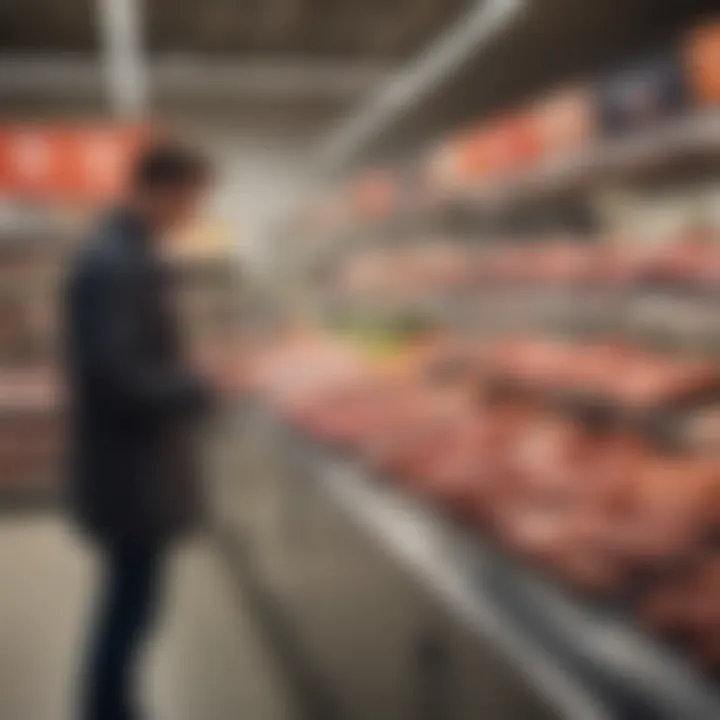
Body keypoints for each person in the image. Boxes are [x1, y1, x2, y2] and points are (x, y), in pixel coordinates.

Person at [64, 139, 216, 720]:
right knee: (130, 604)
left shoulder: (126, 253)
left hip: (129, 467)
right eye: (193, 199)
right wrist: (200, 385)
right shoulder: (116, 262)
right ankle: (107, 709)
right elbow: (115, 377)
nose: (194, 213)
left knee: (133, 601)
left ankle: (114, 703)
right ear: (163, 190)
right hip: (130, 471)